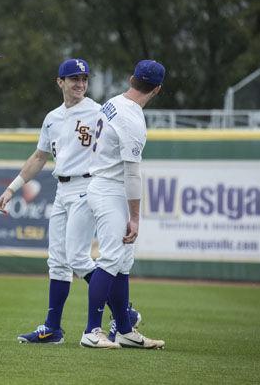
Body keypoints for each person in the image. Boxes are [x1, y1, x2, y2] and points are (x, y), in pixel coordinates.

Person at [0, 59, 141, 345]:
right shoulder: (52, 117)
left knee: (76, 258)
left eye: (84, 78)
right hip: (63, 190)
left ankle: (124, 315)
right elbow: (40, 157)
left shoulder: (98, 111)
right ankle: (53, 328)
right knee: (58, 262)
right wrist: (12, 189)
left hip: (88, 186)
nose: (80, 83)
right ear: (59, 82)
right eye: (73, 78)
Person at [80, 60, 166, 349]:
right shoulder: (133, 119)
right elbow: (131, 173)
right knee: (110, 259)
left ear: (131, 79)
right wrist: (136, 217)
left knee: (122, 262)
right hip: (110, 189)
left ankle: (126, 330)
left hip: (102, 182)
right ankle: (92, 330)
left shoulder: (114, 102)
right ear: (157, 89)